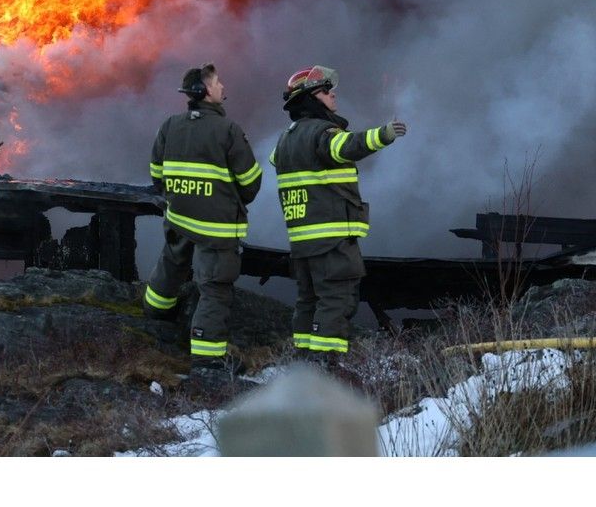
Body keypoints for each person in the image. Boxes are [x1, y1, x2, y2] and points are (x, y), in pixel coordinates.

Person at [269, 65, 407, 361]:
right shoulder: (322, 132)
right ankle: (323, 369)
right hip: (330, 237)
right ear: (310, 98)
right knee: (337, 300)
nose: (333, 95)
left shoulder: (284, 140)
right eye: (326, 91)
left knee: (309, 301)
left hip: (302, 239)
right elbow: (346, 147)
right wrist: (383, 135)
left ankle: (303, 362)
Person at [144, 63, 263, 385]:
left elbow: (157, 174)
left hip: (179, 217)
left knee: (172, 263)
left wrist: (180, 194)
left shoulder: (170, 125)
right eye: (218, 82)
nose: (223, 86)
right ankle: (208, 359)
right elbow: (251, 182)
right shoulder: (228, 131)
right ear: (206, 91)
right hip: (216, 227)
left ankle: (155, 314)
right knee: (214, 289)